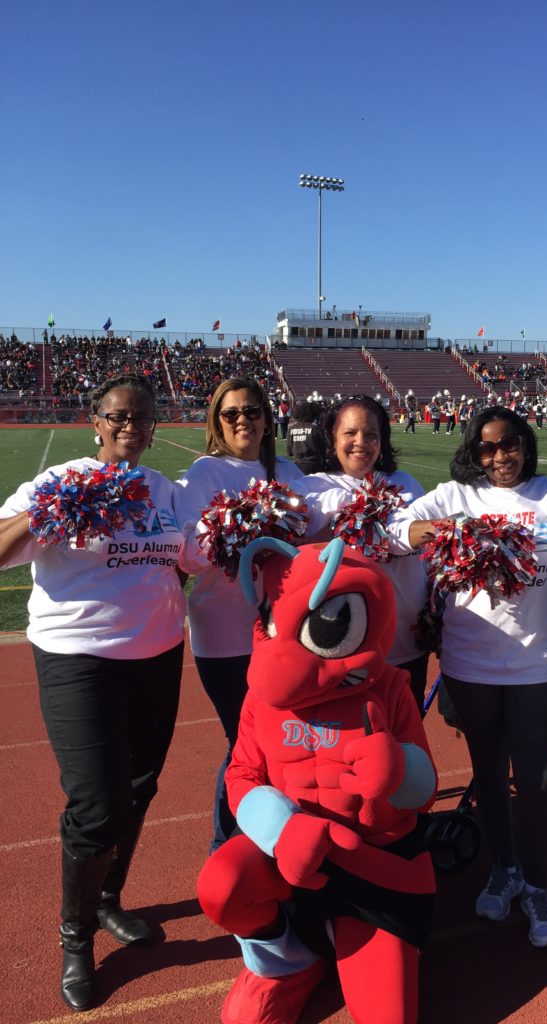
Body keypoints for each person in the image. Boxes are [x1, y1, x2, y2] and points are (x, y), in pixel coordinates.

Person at [0, 374, 191, 1011]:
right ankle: (74, 938)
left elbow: (195, 555)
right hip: (78, 660)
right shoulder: (58, 481)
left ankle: (108, 901)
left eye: (142, 418)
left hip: (159, 654)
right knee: (95, 806)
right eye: (119, 417)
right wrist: (47, 511)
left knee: (140, 785)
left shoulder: (163, 488)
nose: (130, 427)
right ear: (97, 421)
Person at [387, 406, 547, 948]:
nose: (500, 456)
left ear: (526, 443)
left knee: (538, 785)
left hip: (538, 666)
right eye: (487, 448)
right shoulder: (454, 495)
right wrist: (428, 530)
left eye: (510, 443)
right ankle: (504, 867)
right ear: (474, 451)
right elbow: (394, 528)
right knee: (489, 775)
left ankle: (539, 885)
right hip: (470, 665)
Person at [174, 378, 305, 853]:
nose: (243, 420)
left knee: (286, 743)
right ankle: (228, 846)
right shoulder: (203, 474)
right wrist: (246, 522)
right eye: (231, 414)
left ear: (268, 418)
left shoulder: (290, 472)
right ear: (217, 422)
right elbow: (187, 555)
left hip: (288, 635)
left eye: (252, 410)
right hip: (226, 636)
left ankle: (282, 838)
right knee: (246, 745)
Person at [299, 395, 430, 713]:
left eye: (371, 434)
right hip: (343, 647)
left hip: (406, 644)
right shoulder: (310, 488)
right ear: (332, 438)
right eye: (350, 433)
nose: (361, 442)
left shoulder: (405, 484)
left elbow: (428, 557)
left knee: (405, 744)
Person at [286, 399, 327, 473]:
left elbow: (289, 451)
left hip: (297, 466)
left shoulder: (291, 428)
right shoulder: (315, 428)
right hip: (315, 466)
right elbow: (323, 449)